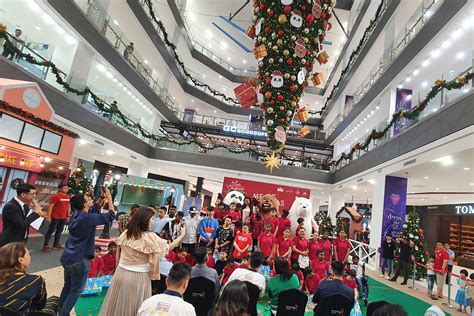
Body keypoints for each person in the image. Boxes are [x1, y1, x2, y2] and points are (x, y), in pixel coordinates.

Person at [100, 208, 185, 316]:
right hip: (138, 277)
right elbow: (168, 247)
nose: (152, 221)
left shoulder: (126, 233)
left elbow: (119, 252)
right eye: (151, 219)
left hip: (120, 274)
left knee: (116, 305)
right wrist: (182, 235)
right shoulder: (149, 237)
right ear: (145, 220)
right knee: (135, 306)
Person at [59, 189, 116, 315]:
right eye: (88, 198)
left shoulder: (76, 215)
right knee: (76, 290)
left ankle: (59, 311)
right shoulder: (88, 218)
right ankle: (63, 314)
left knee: (67, 287)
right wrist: (110, 198)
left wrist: (102, 197)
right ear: (84, 205)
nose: (91, 199)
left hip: (67, 257)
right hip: (79, 259)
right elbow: (111, 216)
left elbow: (94, 209)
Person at [0, 242, 59, 314]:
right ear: (20, 260)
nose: (30, 257)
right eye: (28, 254)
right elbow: (40, 305)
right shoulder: (35, 281)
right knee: (55, 300)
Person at [43, 184, 70, 252]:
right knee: (51, 230)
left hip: (63, 217)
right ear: (60, 189)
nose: (67, 189)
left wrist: (68, 215)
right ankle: (45, 246)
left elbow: (68, 206)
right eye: (65, 188)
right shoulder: (55, 196)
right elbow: (51, 206)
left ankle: (56, 244)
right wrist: (49, 216)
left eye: (67, 188)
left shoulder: (68, 196)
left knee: (59, 231)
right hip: (55, 216)